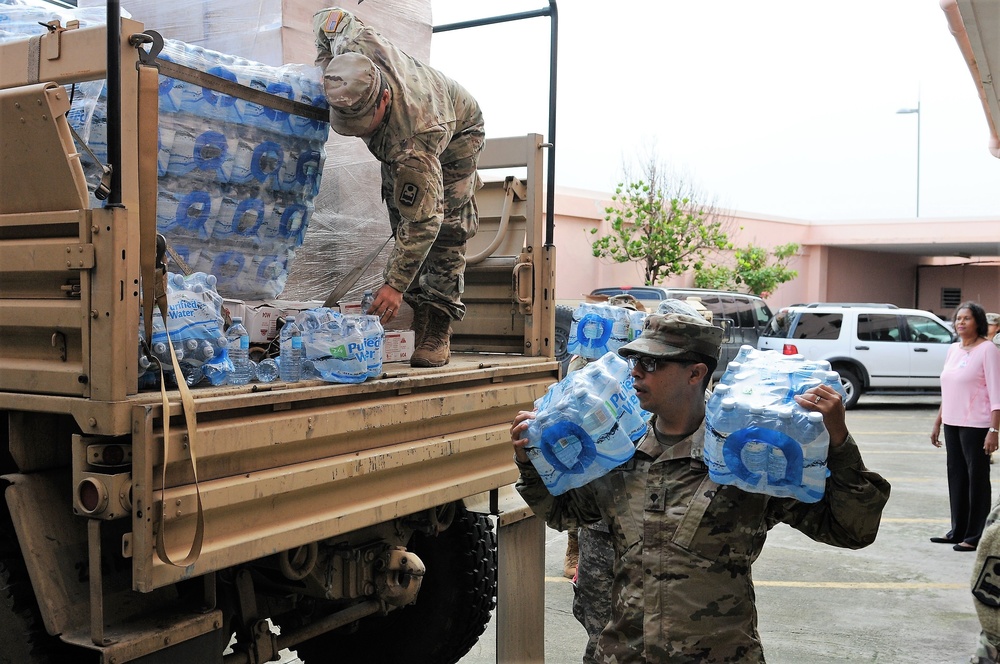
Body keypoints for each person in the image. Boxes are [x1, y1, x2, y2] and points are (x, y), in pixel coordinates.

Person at [510, 312, 891, 662]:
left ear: (695, 374)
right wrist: (530, 462)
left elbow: (850, 530)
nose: (636, 373)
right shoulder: (618, 448)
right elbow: (565, 513)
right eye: (634, 362)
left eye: (652, 363)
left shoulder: (744, 455)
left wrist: (839, 442)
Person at [313, 7, 485, 367]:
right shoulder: (351, 43)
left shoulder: (414, 140)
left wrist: (394, 285)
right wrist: (324, 66)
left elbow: (425, 222)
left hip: (458, 131)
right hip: (410, 129)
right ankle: (418, 297)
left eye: (362, 122)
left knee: (445, 226)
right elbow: (328, 17)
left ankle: (436, 324)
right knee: (400, 210)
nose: (358, 131)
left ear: (384, 100)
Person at [929, 302, 1000, 551]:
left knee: (977, 479)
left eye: (967, 318)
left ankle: (974, 535)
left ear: (978, 322)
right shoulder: (953, 350)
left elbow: (996, 393)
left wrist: (994, 430)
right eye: (958, 318)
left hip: (977, 425)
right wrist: (938, 422)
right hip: (952, 422)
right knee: (956, 476)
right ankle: (957, 530)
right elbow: (948, 390)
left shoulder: (988, 349)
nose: (961, 323)